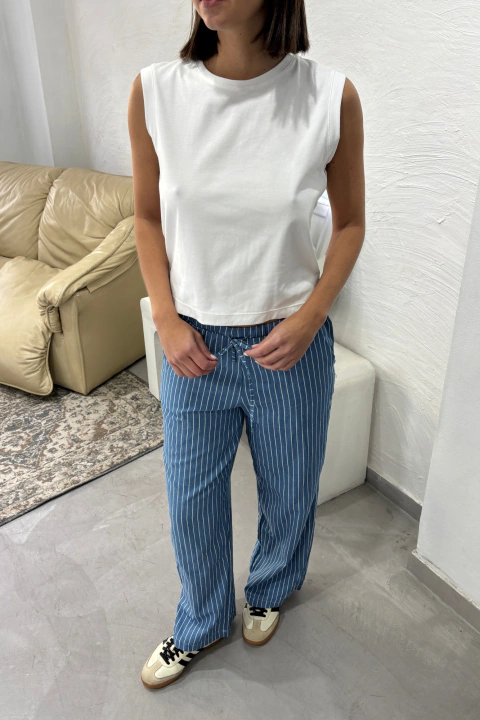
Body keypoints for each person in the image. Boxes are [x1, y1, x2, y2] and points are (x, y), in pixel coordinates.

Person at [128, 0, 365, 691]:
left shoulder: (329, 98)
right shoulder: (155, 91)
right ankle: (201, 619)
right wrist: (165, 319)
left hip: (290, 342)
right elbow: (146, 216)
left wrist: (312, 317)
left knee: (291, 487)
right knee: (191, 499)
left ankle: (271, 587)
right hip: (191, 342)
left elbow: (350, 224)